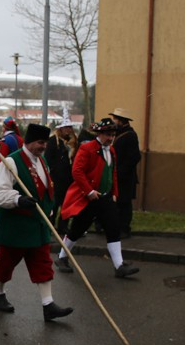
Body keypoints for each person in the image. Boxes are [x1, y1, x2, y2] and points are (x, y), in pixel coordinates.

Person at [0, 123, 72, 321]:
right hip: (16, 225)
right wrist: (18, 199)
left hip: (38, 224)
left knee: (42, 263)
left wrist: (49, 209)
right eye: (40, 142)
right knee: (7, 263)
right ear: (28, 141)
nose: (44, 146)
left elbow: (45, 191)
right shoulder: (11, 161)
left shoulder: (41, 162)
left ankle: (48, 305)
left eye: (45, 143)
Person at [56, 118, 139, 279]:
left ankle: (119, 265)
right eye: (108, 135)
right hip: (89, 198)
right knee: (77, 229)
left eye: (113, 135)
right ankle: (62, 257)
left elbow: (112, 172)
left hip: (106, 198)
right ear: (99, 134)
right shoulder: (87, 148)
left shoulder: (111, 150)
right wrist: (89, 191)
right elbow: (77, 171)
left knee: (113, 228)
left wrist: (115, 192)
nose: (110, 138)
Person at [110, 108, 141, 238]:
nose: (113, 121)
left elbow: (135, 157)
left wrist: (121, 170)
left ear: (121, 121)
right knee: (117, 203)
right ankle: (116, 227)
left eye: (115, 119)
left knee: (124, 203)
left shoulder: (130, 135)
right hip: (117, 175)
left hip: (125, 177)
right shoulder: (117, 134)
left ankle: (124, 228)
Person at [45, 118, 78, 235]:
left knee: (67, 204)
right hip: (56, 178)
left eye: (70, 127)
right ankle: (50, 225)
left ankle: (63, 226)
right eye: (66, 127)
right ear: (61, 128)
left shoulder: (73, 142)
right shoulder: (53, 141)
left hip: (69, 179)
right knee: (54, 204)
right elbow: (48, 159)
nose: (69, 130)